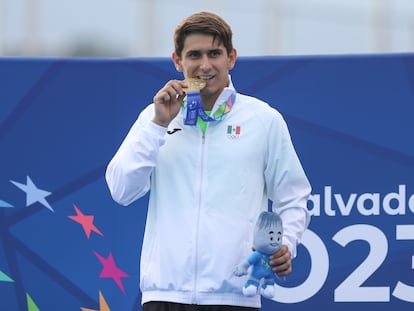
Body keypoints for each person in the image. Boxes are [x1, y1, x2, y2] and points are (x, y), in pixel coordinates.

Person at [105, 11, 311, 311]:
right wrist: (158, 125)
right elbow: (121, 189)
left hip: (234, 296)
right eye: (194, 55)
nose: (205, 65)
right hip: (164, 295)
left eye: (214, 53)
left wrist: (286, 243)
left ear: (232, 57)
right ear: (177, 61)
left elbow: (294, 197)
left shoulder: (264, 120)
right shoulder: (155, 118)